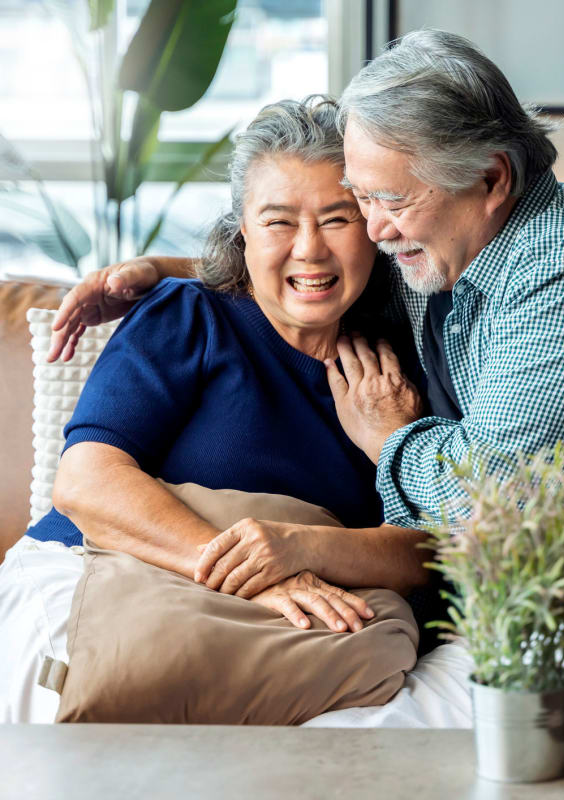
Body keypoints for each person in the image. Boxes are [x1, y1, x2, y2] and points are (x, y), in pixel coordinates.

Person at [47, 31, 564, 789]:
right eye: (363, 201)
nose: (371, 228)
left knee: (406, 763)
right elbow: (306, 256)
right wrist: (164, 271)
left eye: (386, 201)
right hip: (526, 604)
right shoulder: (437, 249)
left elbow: (492, 499)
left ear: (491, 178)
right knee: (332, 748)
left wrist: (394, 438)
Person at [1, 96, 436, 723]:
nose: (310, 250)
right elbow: (86, 482)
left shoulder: (397, 372)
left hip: (281, 624)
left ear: (374, 224)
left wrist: (384, 453)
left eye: (337, 219)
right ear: (242, 233)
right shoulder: (190, 315)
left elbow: (427, 555)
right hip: (108, 572)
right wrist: (255, 569)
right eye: (279, 222)